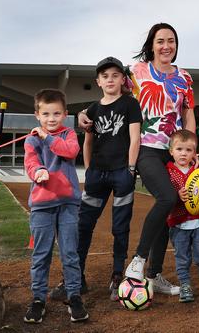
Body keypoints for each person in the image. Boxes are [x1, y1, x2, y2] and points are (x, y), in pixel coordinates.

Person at [80, 23, 198, 295]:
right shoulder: (137, 72)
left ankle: (155, 275)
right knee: (168, 197)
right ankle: (138, 261)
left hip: (174, 150)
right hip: (145, 147)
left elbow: (188, 114)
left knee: (169, 205)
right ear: (152, 44)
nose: (166, 46)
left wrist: (192, 151)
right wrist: (84, 113)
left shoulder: (185, 77)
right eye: (160, 41)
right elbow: (111, 96)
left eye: (171, 40)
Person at [50, 57, 142, 302]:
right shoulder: (92, 109)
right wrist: (89, 169)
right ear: (98, 81)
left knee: (120, 227)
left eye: (115, 75)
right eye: (105, 76)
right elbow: (87, 141)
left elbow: (135, 138)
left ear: (123, 79)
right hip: (97, 175)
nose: (110, 79)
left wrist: (131, 168)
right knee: (84, 225)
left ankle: (116, 276)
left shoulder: (130, 104)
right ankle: (75, 279)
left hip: (122, 173)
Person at [23, 89, 88, 323]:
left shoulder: (69, 134)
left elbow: (69, 151)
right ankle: (38, 299)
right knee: (41, 255)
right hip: (42, 205)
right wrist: (38, 171)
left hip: (68, 204)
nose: (51, 118)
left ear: (65, 114)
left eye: (57, 113)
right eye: (46, 114)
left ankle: (74, 296)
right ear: (37, 115)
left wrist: (47, 137)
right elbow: (31, 162)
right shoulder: (31, 139)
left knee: (70, 253)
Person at [165, 129, 199, 303]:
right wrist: (176, 195)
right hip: (179, 224)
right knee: (182, 258)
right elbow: (164, 194)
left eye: (188, 150)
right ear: (171, 151)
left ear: (195, 153)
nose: (184, 153)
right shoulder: (167, 171)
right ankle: (185, 286)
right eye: (179, 149)